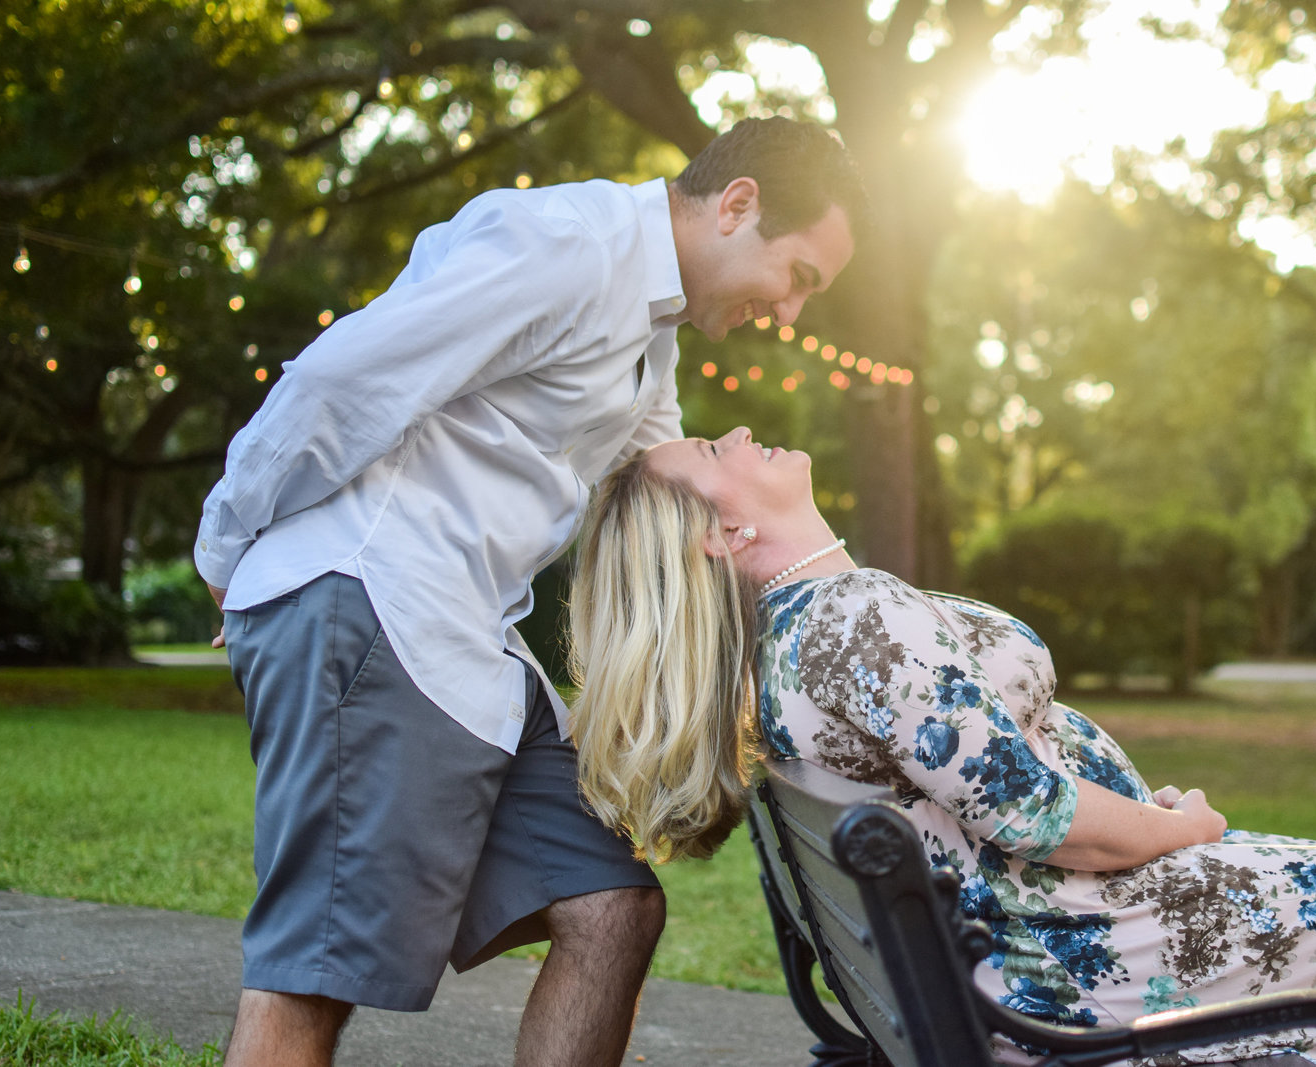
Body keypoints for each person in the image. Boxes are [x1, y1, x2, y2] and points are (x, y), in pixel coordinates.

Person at [193, 121, 868, 1067]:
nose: (792, 313)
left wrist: (822, 579)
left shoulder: (652, 324)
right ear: (739, 204)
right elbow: (339, 382)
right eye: (797, 277)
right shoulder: (563, 248)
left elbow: (662, 473)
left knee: (611, 903)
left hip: (467, 641)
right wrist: (224, 548)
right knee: (314, 974)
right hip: (375, 599)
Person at [567, 426, 1316, 1067]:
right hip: (1075, 958)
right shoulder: (852, 622)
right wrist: (1184, 827)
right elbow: (1044, 815)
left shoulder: (808, 630)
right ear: (723, 533)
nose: (738, 435)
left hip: (1046, 934)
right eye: (710, 448)